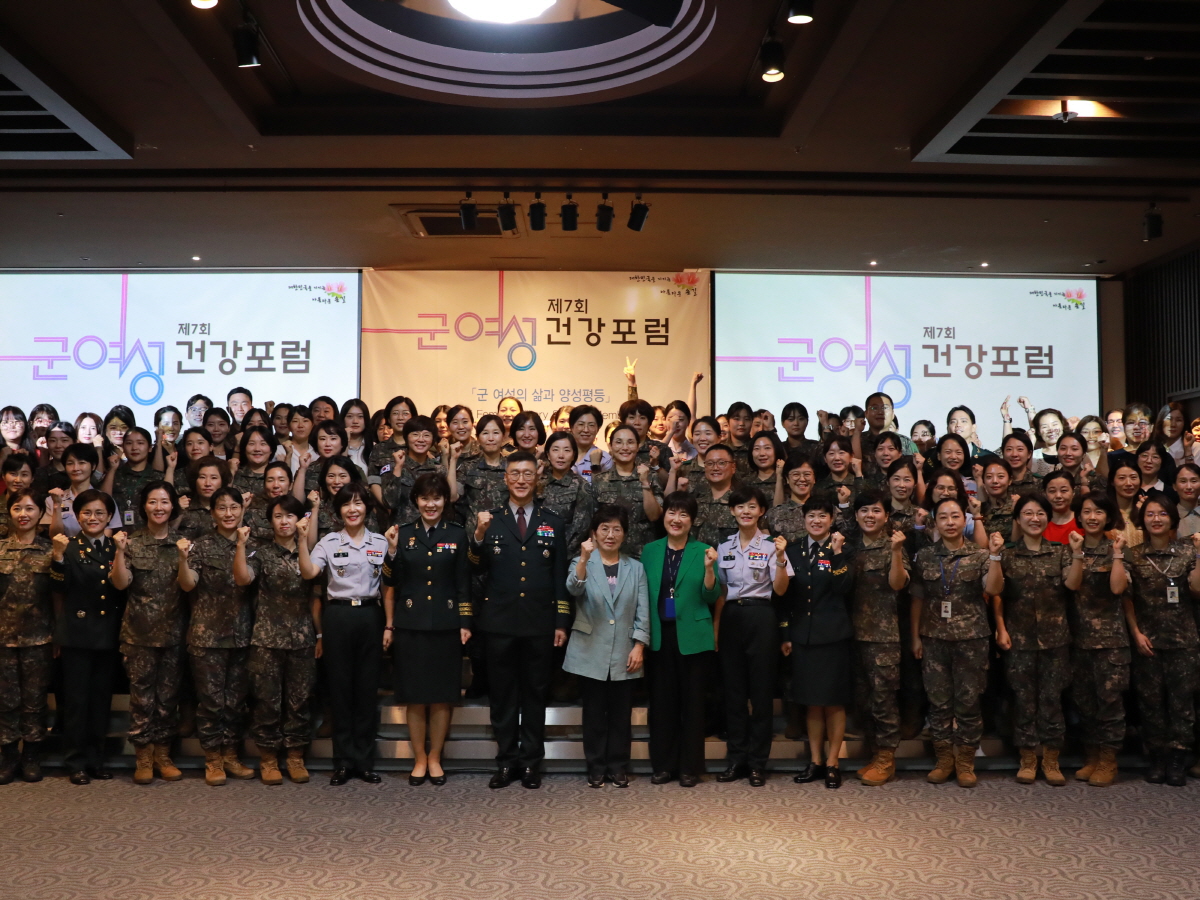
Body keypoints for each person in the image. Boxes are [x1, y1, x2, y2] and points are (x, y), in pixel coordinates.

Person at [467, 451, 570, 790]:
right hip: (499, 624)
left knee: (535, 694)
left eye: (527, 474)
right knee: (503, 696)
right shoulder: (490, 519)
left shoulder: (552, 520)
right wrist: (479, 536)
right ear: (506, 478)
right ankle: (507, 762)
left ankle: (530, 764)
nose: (522, 480)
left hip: (539, 624)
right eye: (515, 474)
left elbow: (559, 576)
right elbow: (475, 565)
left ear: (536, 477)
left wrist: (560, 621)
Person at [382, 472, 470, 787]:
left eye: (436, 498)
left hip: (446, 625)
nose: (430, 504)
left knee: (443, 697)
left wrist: (465, 622)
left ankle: (436, 758)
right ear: (416, 501)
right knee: (416, 697)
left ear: (445, 501)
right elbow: (390, 580)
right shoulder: (401, 533)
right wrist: (391, 551)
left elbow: (463, 584)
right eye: (424, 498)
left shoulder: (457, 534)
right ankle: (420, 758)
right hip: (411, 624)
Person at [298, 482, 390, 785]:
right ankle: (342, 762)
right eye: (346, 505)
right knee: (340, 689)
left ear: (367, 508)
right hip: (337, 615)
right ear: (338, 511)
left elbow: (392, 582)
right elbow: (310, 572)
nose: (353, 509)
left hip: (370, 615)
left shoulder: (380, 542)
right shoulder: (328, 541)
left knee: (366, 690)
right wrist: (301, 539)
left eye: (358, 504)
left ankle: (364, 762)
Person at [910, 497, 999, 788]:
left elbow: (994, 589)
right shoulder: (925, 556)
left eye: (955, 516)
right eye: (943, 517)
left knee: (969, 702)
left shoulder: (980, 555)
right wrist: (915, 636)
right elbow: (918, 599)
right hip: (934, 638)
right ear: (935, 522)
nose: (950, 522)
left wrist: (996, 557)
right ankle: (944, 759)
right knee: (938, 703)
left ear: (965, 520)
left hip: (971, 638)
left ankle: (965, 761)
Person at [234, 494, 319, 786]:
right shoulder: (260, 551)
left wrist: (304, 543)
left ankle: (295, 757)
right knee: (267, 701)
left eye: (290, 516)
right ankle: (269, 759)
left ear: (300, 520)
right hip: (267, 638)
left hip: (302, 637)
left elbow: (310, 579)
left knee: (299, 701)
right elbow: (244, 579)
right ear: (270, 521)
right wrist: (241, 547)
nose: (285, 522)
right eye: (279, 516)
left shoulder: (311, 551)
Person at [564, 504, 650, 788]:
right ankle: (596, 766)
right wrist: (583, 559)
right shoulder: (582, 563)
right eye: (604, 529)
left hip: (625, 651)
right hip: (590, 650)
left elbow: (643, 611)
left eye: (616, 529)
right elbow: (574, 589)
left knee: (620, 715)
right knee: (594, 714)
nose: (610, 535)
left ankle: (618, 766)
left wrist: (639, 645)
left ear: (624, 534)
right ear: (594, 533)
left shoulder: (635, 568)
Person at [991, 493, 1073, 786]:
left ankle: (1051, 759)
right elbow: (997, 594)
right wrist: (1000, 628)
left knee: (1052, 699)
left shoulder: (1061, 552)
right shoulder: (1009, 555)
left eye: (1040, 513)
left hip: (1055, 639)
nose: (1034, 518)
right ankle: (1027, 757)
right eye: (1027, 513)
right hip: (1019, 639)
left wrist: (1076, 555)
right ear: (1017, 520)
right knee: (1023, 700)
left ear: (1047, 518)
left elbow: (1072, 585)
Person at [110, 481, 188, 785]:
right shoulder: (131, 542)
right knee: (141, 698)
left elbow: (188, 585)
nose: (159, 508)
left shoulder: (183, 543)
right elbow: (120, 583)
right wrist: (119, 553)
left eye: (165, 502)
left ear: (173, 507)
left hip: (174, 633)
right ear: (144, 506)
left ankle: (163, 756)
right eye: (153, 502)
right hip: (138, 634)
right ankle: (142, 757)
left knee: (168, 698)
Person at [177, 486, 256, 786]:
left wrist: (240, 545)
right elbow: (187, 585)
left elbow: (245, 579)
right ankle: (212, 759)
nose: (228, 513)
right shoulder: (199, 545)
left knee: (236, 701)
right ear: (212, 513)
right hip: (206, 636)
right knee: (210, 701)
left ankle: (231, 755)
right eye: (221, 508)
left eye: (234, 507)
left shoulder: (252, 545)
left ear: (242, 510)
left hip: (241, 634)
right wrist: (183, 561)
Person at [713, 487, 791, 787]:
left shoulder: (772, 546)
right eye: (740, 506)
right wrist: (717, 628)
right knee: (733, 693)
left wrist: (782, 558)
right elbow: (720, 593)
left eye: (752, 507)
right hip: (732, 617)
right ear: (732, 511)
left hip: (762, 617)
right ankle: (736, 760)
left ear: (761, 512)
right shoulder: (723, 547)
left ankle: (758, 763)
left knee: (760, 695)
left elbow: (782, 590)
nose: (746, 511)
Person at [642, 492, 720, 787]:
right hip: (660, 635)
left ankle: (690, 768)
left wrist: (710, 569)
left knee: (693, 705)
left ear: (692, 520)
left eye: (684, 514)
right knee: (662, 704)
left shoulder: (704, 551)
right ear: (664, 517)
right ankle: (663, 766)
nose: (677, 519)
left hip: (693, 636)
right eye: (672, 513)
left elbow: (711, 595)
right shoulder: (650, 550)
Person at [1122, 493, 1200, 786]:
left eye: (1162, 514)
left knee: (1181, 702)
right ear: (1143, 520)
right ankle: (1156, 757)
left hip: (1183, 640)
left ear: (1172, 520)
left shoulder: (1187, 551)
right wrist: (1136, 633)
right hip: (1147, 640)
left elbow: (1197, 590)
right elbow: (1127, 599)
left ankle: (1178, 758)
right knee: (1150, 702)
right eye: (1150, 514)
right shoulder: (1134, 553)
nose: (1156, 519)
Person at [49, 490, 125, 784]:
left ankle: (96, 759)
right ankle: (75, 762)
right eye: (87, 513)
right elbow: (58, 587)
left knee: (100, 701)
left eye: (100, 514)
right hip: (77, 634)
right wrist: (56, 556)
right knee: (77, 702)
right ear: (78, 516)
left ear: (109, 517)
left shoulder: (115, 547)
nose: (93, 518)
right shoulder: (67, 546)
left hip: (107, 634)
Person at [781, 494, 851, 789]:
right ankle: (816, 761)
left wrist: (835, 555)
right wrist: (785, 632)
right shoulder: (793, 550)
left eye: (823, 516)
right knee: (811, 703)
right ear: (803, 519)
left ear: (831, 520)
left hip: (833, 635)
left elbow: (844, 587)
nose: (816, 520)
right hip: (803, 636)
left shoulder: (841, 549)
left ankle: (833, 762)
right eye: (811, 515)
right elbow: (784, 596)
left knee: (833, 703)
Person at [1064, 493, 1128, 787]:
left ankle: (1108, 760)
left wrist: (1116, 555)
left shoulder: (1116, 547)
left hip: (1111, 641)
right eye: (1087, 511)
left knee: (1110, 702)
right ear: (1079, 516)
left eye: (1098, 512)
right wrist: (1077, 553)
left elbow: (1117, 589)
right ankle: (1092, 756)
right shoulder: (1069, 549)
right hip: (1079, 639)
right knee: (1085, 702)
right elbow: (1073, 584)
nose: (1092, 517)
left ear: (1108, 516)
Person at [846, 490, 910, 786]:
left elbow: (898, 584)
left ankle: (887, 759)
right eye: (863, 511)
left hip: (884, 637)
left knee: (884, 699)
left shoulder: (893, 546)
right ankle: (874, 754)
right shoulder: (847, 546)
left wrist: (896, 553)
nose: (869, 516)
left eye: (875, 511)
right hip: (851, 636)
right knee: (863, 699)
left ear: (886, 516)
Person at [0, 490, 54, 783]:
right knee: (5, 700)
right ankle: (8, 755)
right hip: (3, 637)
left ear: (39, 514)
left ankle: (32, 754)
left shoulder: (49, 551)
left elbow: (57, 598)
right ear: (10, 512)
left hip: (39, 638)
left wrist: (57, 634)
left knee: (34, 700)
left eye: (30, 508)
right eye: (17, 508)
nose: (23, 514)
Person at [590, 424, 662, 559]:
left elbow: (654, 516)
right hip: (608, 557)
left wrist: (645, 483)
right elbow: (593, 524)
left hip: (644, 556)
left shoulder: (651, 476)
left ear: (638, 446)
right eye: (618, 442)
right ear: (610, 447)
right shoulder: (599, 480)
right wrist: (594, 558)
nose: (624, 447)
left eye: (630, 442)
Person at [538, 431, 593, 556]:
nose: (561, 455)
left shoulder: (581, 486)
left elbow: (579, 529)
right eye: (556, 450)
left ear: (574, 455)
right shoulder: (537, 482)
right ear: (548, 454)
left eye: (567, 450)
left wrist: (556, 552)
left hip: (566, 556)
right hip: (535, 553)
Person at [102, 427, 159, 530]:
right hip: (116, 536)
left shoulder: (158, 478)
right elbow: (103, 501)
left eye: (140, 443)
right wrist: (112, 470)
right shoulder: (114, 474)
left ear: (150, 447)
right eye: (129, 443)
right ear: (123, 447)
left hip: (148, 538)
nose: (134, 448)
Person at [766, 454, 816, 543]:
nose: (802, 479)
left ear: (814, 478)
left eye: (807, 474)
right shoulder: (774, 514)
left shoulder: (827, 510)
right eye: (796, 474)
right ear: (787, 479)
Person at [569, 405, 609, 482]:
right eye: (581, 424)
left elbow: (605, 490)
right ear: (571, 427)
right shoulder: (561, 455)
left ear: (598, 429)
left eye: (591, 425)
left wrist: (596, 467)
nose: (586, 430)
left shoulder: (605, 459)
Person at [1042, 470, 1084, 545]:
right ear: (1045, 494)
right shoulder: (1039, 522)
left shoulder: (1083, 521)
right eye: (1052, 491)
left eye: (1064, 490)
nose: (1058, 496)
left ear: (1073, 492)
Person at [1175, 462, 1200, 538]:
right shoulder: (1168, 516)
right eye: (1183, 481)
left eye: (1194, 481)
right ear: (1174, 486)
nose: (1189, 486)